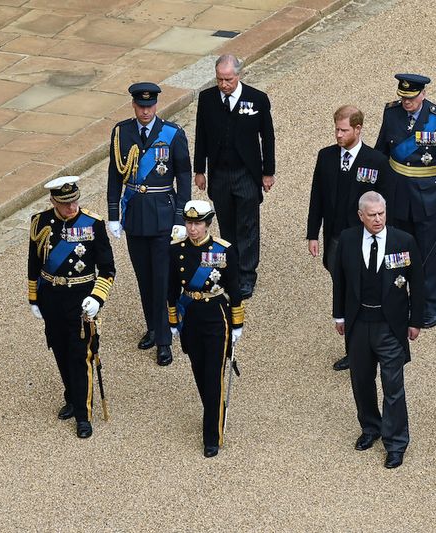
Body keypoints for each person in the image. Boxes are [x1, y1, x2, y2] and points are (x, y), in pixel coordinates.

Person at [331, 191, 424, 469]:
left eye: (381, 213)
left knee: (393, 385)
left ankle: (395, 442)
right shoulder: (347, 240)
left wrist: (415, 320)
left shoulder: (403, 241)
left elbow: (417, 283)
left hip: (390, 326)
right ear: (361, 216)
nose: (377, 219)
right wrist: (339, 316)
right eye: (371, 215)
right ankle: (371, 427)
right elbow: (341, 281)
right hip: (359, 323)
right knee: (361, 380)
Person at [107, 81, 191, 366]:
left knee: (162, 277)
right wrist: (113, 214)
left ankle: (165, 339)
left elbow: (184, 175)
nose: (145, 111)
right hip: (135, 215)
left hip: (163, 215)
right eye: (141, 106)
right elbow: (113, 175)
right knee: (144, 277)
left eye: (150, 106)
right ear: (133, 105)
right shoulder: (121, 132)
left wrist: (181, 216)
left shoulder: (172, 133)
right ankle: (153, 327)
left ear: (156, 105)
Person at [306, 105, 392, 371]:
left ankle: (368, 349)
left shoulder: (375, 161)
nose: (338, 135)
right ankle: (353, 351)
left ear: (358, 129)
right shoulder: (326, 157)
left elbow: (386, 204)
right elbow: (316, 196)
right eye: (336, 129)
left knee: (362, 293)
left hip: (364, 241)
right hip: (335, 239)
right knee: (343, 291)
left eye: (343, 130)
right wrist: (312, 234)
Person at [28, 176, 115, 438]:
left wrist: (97, 298)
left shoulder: (93, 224)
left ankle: (83, 413)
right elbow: (34, 263)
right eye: (65, 203)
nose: (72, 207)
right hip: (52, 298)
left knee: (80, 355)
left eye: (75, 201)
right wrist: (34, 298)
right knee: (60, 349)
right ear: (53, 201)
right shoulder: (40, 223)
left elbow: (108, 269)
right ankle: (72, 396)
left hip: (81, 298)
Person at [374, 73, 436, 328]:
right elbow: (382, 152)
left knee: (428, 253)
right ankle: (399, 299)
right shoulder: (391, 113)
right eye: (403, 97)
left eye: (411, 98)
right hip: (397, 193)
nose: (406, 102)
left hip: (429, 196)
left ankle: (428, 306)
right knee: (398, 250)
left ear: (422, 94)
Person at [194, 54, 276, 300]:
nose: (223, 85)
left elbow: (268, 137)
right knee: (227, 225)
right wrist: (200, 170)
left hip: (246, 173)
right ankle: (231, 271)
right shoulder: (207, 99)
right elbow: (201, 134)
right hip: (219, 172)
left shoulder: (257, 99)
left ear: (238, 75)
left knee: (247, 226)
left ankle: (247, 275)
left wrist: (268, 172)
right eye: (219, 79)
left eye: (228, 79)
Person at [167, 200, 244, 458]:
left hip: (215, 318)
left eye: (197, 223)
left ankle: (211, 434)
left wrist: (237, 324)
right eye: (189, 223)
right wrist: (173, 321)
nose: (192, 229)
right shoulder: (176, 250)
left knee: (213, 376)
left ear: (208, 224)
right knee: (199, 372)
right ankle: (214, 408)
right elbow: (170, 289)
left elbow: (234, 289)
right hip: (190, 317)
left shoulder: (223, 251)